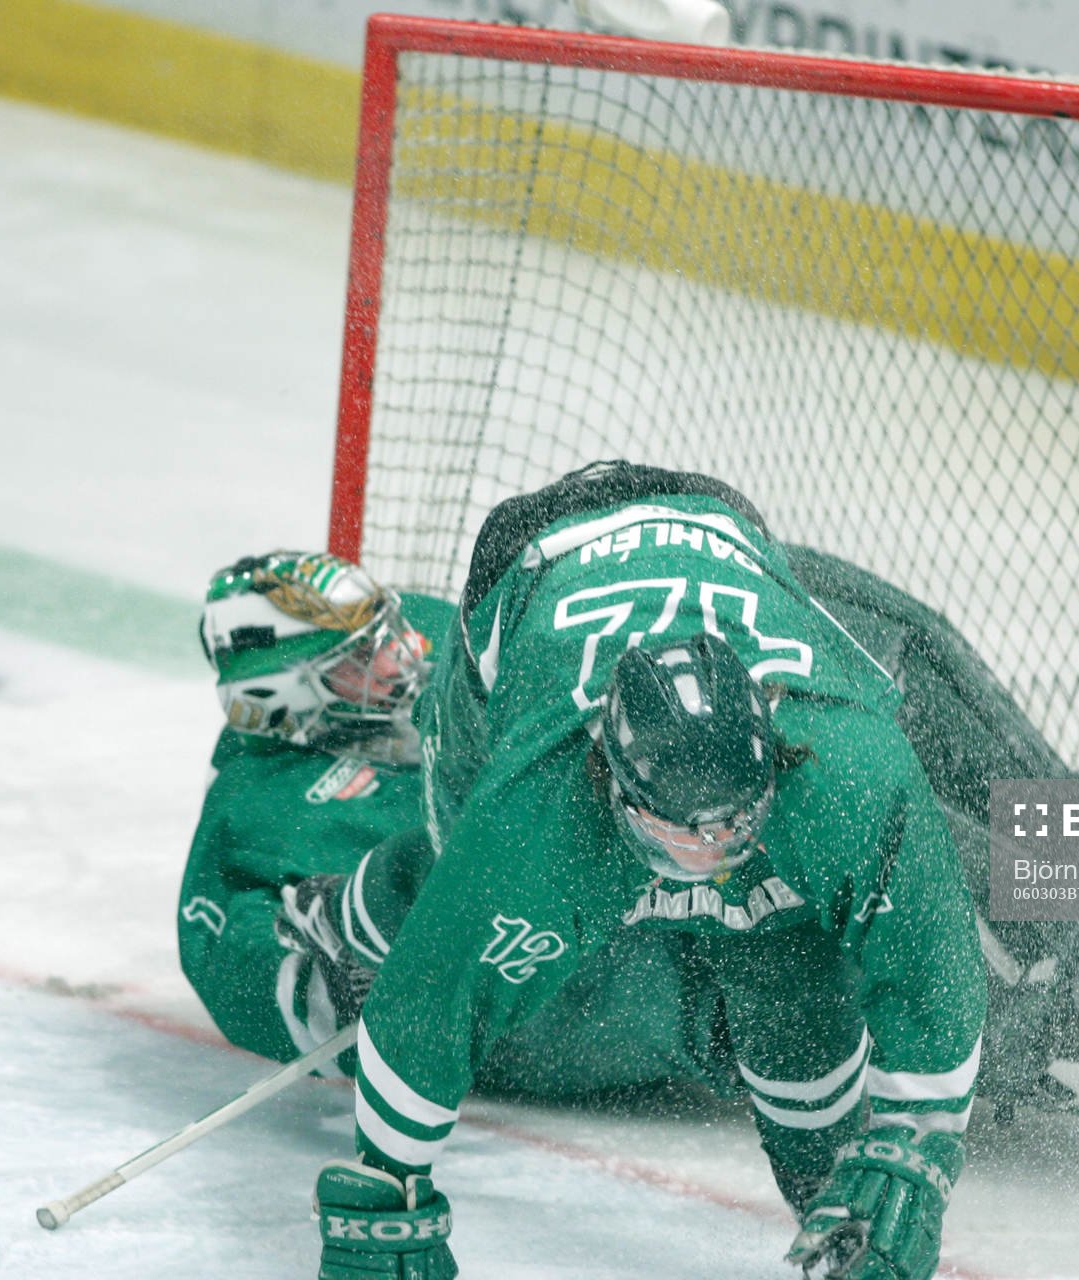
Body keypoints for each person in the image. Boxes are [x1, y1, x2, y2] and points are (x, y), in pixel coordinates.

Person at [308, 462, 989, 1280]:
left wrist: (907, 1147)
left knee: (786, 952)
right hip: (521, 571)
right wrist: (388, 1183)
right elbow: (433, 1002)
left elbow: (930, 965)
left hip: (716, 521)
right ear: (611, 784)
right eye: (682, 833)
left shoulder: (851, 770)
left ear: (774, 748)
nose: (713, 854)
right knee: (463, 897)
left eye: (736, 822)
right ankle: (356, 916)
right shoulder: (535, 806)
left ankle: (824, 1199)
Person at [179, 550, 726, 1099]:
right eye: (360, 659)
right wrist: (343, 977)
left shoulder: (427, 632)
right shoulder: (258, 810)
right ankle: (730, 1021)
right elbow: (235, 969)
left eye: (388, 632)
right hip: (540, 968)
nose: (403, 657)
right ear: (279, 699)